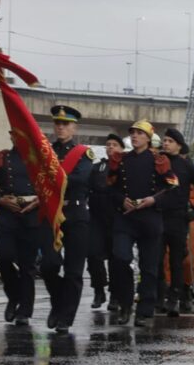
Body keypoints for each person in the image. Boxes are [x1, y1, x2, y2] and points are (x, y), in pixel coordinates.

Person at [107, 119, 176, 326]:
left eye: (139, 133)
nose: (135, 136)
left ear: (148, 137)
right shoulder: (120, 159)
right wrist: (121, 200)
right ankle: (125, 303)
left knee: (149, 267)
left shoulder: (159, 160)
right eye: (133, 133)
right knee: (120, 258)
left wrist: (154, 200)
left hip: (149, 218)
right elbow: (109, 187)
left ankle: (145, 311)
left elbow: (173, 188)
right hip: (126, 217)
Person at [41, 105, 93, 333]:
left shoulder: (83, 153)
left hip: (75, 214)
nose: (61, 127)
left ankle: (66, 318)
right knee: (48, 265)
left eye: (66, 124)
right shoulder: (46, 152)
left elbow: (81, 179)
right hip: (52, 214)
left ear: (74, 126)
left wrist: (56, 178)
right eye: (57, 123)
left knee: (73, 270)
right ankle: (58, 303)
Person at [0, 144, 44, 326]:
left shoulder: (41, 159)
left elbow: (52, 186)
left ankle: (25, 309)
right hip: (7, 215)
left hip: (31, 214)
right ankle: (13, 296)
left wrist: (40, 200)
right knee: (4, 258)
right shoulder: (3, 158)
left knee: (27, 266)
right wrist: (0, 199)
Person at [156, 128, 194, 316]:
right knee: (156, 259)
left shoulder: (186, 166)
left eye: (170, 141)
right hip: (156, 216)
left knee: (177, 261)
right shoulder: (157, 162)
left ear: (179, 145)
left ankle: (175, 298)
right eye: (164, 140)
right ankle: (159, 296)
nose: (166, 143)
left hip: (178, 218)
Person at [88, 133, 124, 311]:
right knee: (93, 255)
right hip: (96, 217)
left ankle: (115, 295)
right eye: (108, 144)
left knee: (115, 258)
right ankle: (98, 289)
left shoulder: (125, 166)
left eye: (114, 145)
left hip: (116, 217)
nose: (110, 147)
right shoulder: (98, 166)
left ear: (121, 149)